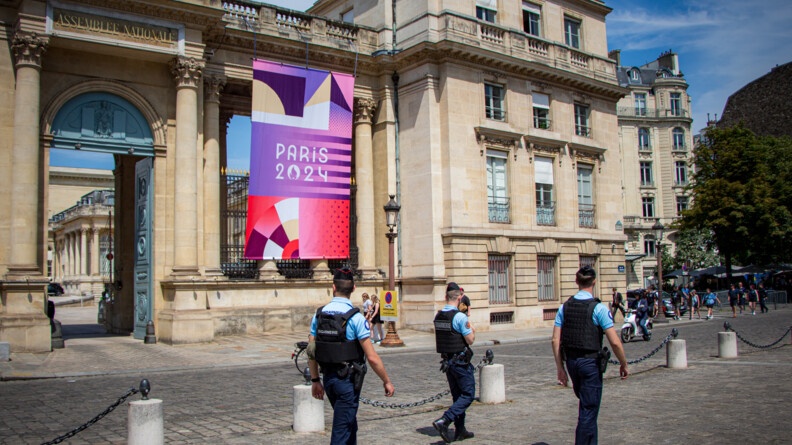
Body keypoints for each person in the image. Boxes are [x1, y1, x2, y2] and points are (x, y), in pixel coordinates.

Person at [308, 269, 395, 445]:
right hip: (347, 381)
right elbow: (372, 357)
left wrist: (315, 379)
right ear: (354, 288)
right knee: (341, 431)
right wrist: (386, 380)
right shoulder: (355, 318)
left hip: (329, 379)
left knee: (349, 424)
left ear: (333, 287)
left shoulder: (319, 314)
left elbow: (311, 351)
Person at [551, 266, 628, 445]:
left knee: (587, 406)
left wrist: (560, 368)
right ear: (594, 282)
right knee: (588, 409)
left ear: (577, 281)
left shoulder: (564, 307)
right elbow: (615, 342)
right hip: (590, 363)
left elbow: (555, 340)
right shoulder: (598, 308)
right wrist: (624, 363)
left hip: (571, 362)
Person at [432, 282, 476, 443]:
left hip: (447, 362)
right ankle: (445, 420)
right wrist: (472, 330)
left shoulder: (438, 316)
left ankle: (460, 430)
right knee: (468, 394)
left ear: (445, 297)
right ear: (460, 297)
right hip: (460, 362)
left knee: (457, 396)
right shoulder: (459, 317)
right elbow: (470, 340)